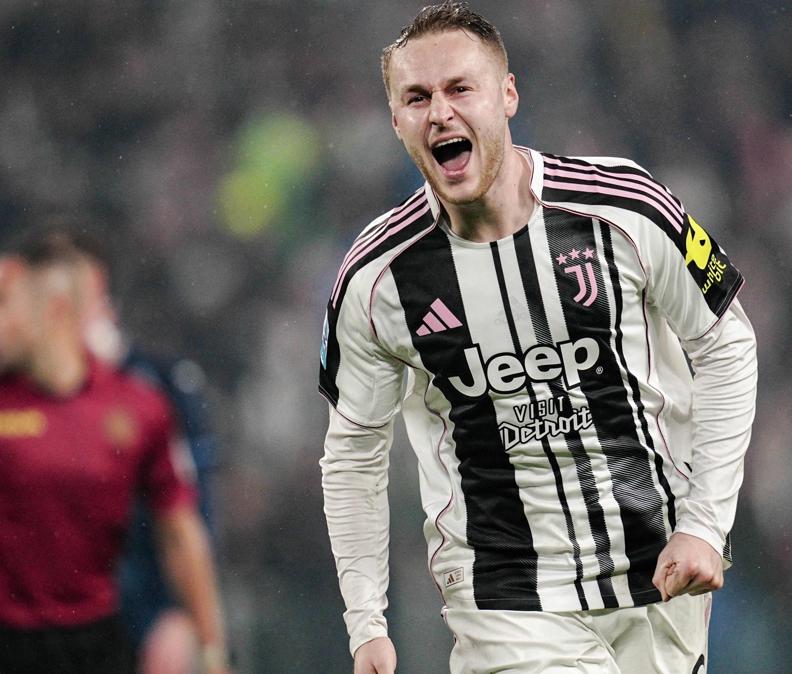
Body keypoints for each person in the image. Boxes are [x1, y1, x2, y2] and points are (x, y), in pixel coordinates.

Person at [319, 3, 758, 673]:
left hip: (658, 573)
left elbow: (726, 346)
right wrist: (364, 621)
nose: (439, 113)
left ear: (508, 96)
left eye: (459, 89)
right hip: (504, 597)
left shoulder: (626, 207)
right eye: (417, 97)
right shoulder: (375, 278)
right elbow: (354, 452)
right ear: (396, 120)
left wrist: (704, 522)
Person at [0, 232, 230, 674]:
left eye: (3, 304)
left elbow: (180, 532)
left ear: (54, 309)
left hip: (93, 645)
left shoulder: (139, 408)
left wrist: (212, 651)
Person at [35, 222, 224, 674]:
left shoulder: (162, 387)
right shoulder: (9, 395)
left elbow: (190, 518)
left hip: (141, 610)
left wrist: (183, 618)